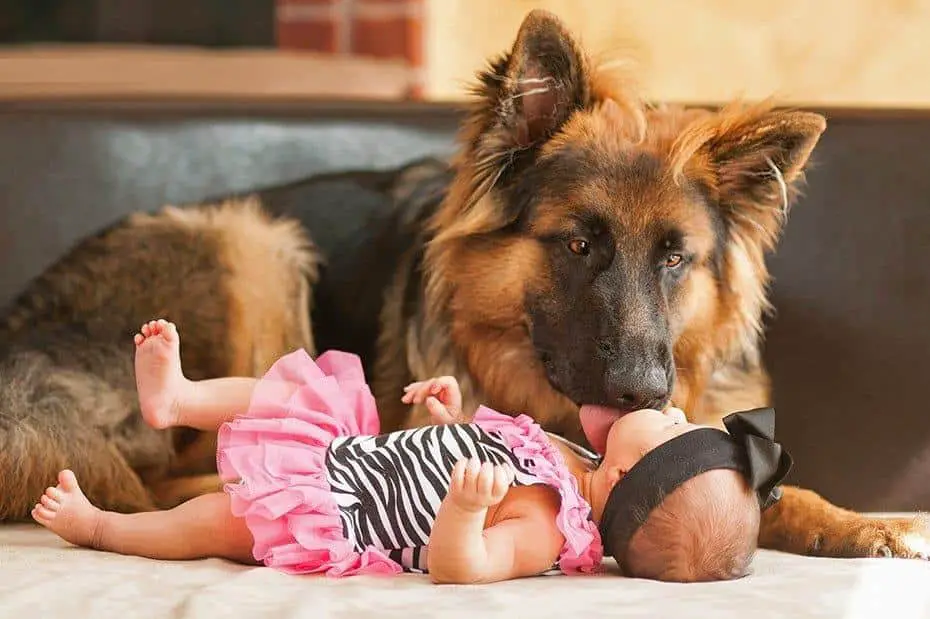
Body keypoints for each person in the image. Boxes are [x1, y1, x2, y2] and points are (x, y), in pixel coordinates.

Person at [32, 320, 791, 583]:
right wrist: (448, 416)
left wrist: (464, 511)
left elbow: (466, 567)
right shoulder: (565, 458)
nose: (671, 407)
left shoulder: (551, 531)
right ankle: (180, 400)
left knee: (222, 523)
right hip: (358, 457)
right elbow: (476, 448)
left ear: (626, 474)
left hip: (345, 514)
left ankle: (105, 527)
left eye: (669, 425)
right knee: (297, 394)